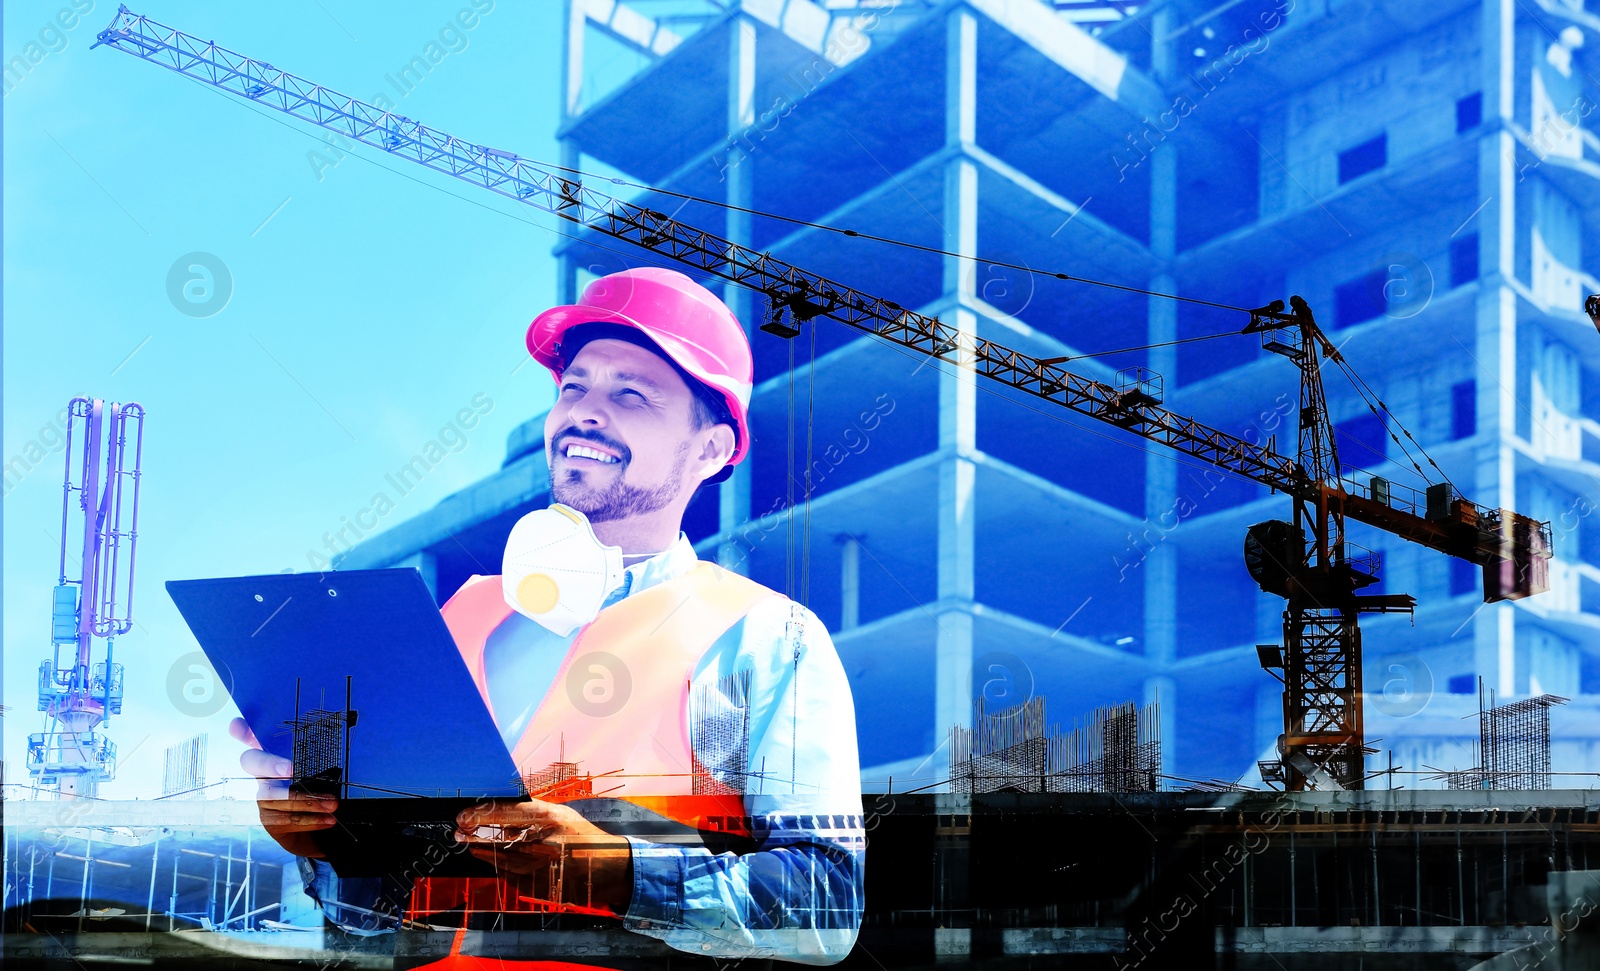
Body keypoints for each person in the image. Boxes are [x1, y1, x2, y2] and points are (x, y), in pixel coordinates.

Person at [233, 267, 866, 966]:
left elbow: (826, 905)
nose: (586, 411)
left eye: (632, 393)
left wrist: (619, 872)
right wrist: (325, 842)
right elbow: (378, 914)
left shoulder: (766, 636)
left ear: (711, 449)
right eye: (575, 386)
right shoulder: (459, 616)